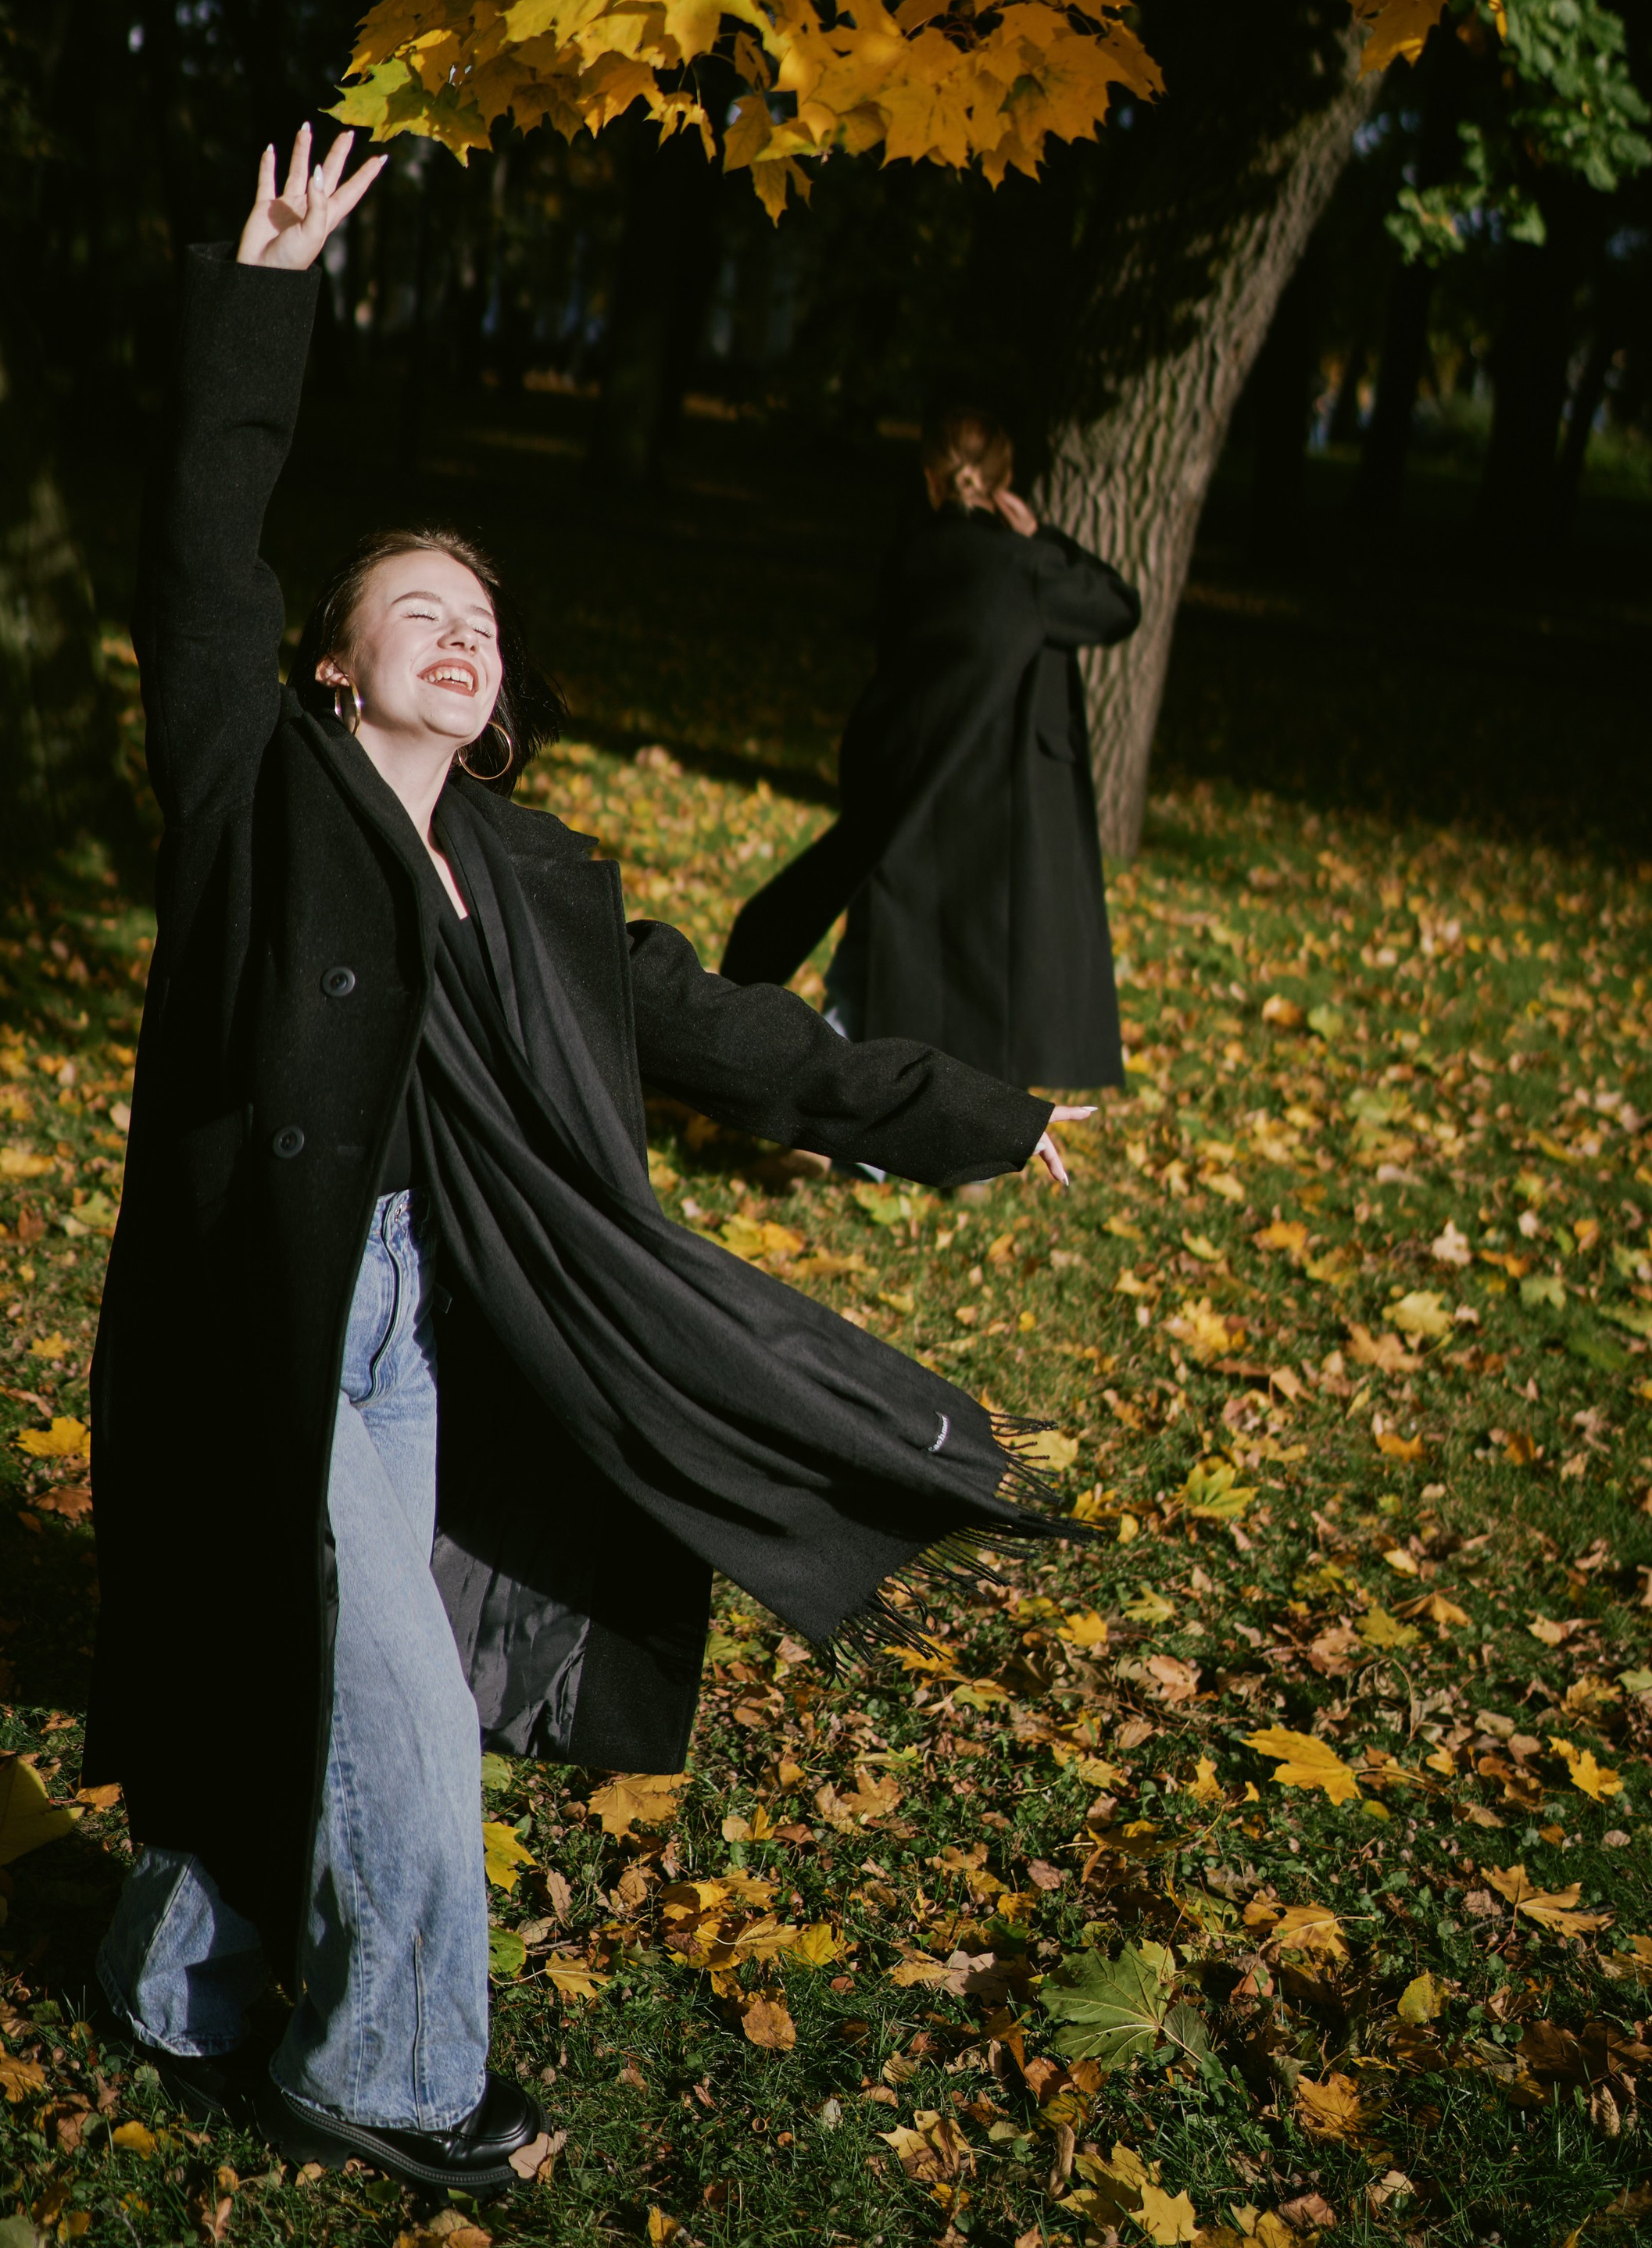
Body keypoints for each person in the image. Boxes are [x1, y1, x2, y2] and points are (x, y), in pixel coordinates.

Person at [86, 141, 1093, 2197]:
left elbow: (730, 1027)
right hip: (265, 1324)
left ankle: (174, 1981)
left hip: (435, 1327)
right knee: (408, 1716)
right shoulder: (249, 797)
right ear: (329, 665)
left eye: (481, 625)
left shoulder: (531, 878)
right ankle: (384, 2070)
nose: (460, 640)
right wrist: (260, 300)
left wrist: (969, 1112)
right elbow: (199, 555)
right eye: (413, 613)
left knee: (344, 1677)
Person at [722, 406, 1141, 1092]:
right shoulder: (1028, 567)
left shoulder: (914, 558)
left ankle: (823, 1102)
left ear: (929, 478)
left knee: (880, 949)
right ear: (1004, 483)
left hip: (905, 783)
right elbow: (1121, 606)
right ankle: (921, 1137)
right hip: (992, 795)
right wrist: (1047, 535)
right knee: (979, 976)